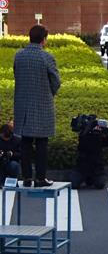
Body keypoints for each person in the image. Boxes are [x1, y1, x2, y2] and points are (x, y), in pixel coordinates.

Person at [13, 25, 61, 188]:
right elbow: (56, 81)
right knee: (42, 143)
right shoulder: (46, 57)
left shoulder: (18, 56)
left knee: (25, 142)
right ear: (43, 39)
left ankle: (27, 178)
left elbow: (16, 75)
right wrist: (48, 93)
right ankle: (40, 178)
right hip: (42, 105)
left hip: (23, 104)